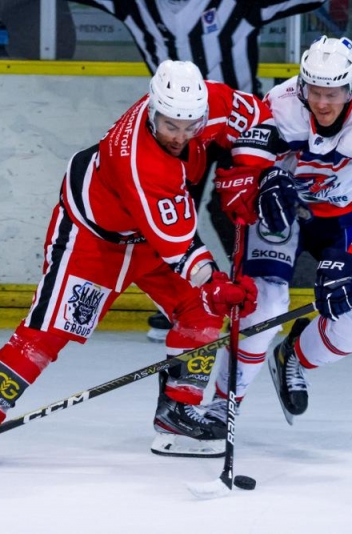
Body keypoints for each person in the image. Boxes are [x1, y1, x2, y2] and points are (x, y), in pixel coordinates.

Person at [0, 60, 284, 466]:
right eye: (170, 125)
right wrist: (214, 283)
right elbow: (179, 247)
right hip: (94, 241)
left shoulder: (208, 102)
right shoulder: (139, 161)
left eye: (190, 126)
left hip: (150, 236)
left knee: (201, 307)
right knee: (52, 329)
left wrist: (249, 169)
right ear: (152, 110)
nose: (180, 136)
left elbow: (260, 117)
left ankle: (178, 413)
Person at [68, 0, 326, 342]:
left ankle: (251, 294)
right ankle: (190, 299)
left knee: (239, 207)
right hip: (180, 134)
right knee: (172, 210)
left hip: (238, 129)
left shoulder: (234, 4)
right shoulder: (138, 7)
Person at [208, 35, 352, 422]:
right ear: (302, 84)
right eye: (314, 91)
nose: (322, 103)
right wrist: (262, 183)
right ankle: (221, 405)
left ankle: (293, 356)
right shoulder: (281, 104)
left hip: (344, 217)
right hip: (283, 210)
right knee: (263, 306)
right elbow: (243, 168)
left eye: (333, 93)